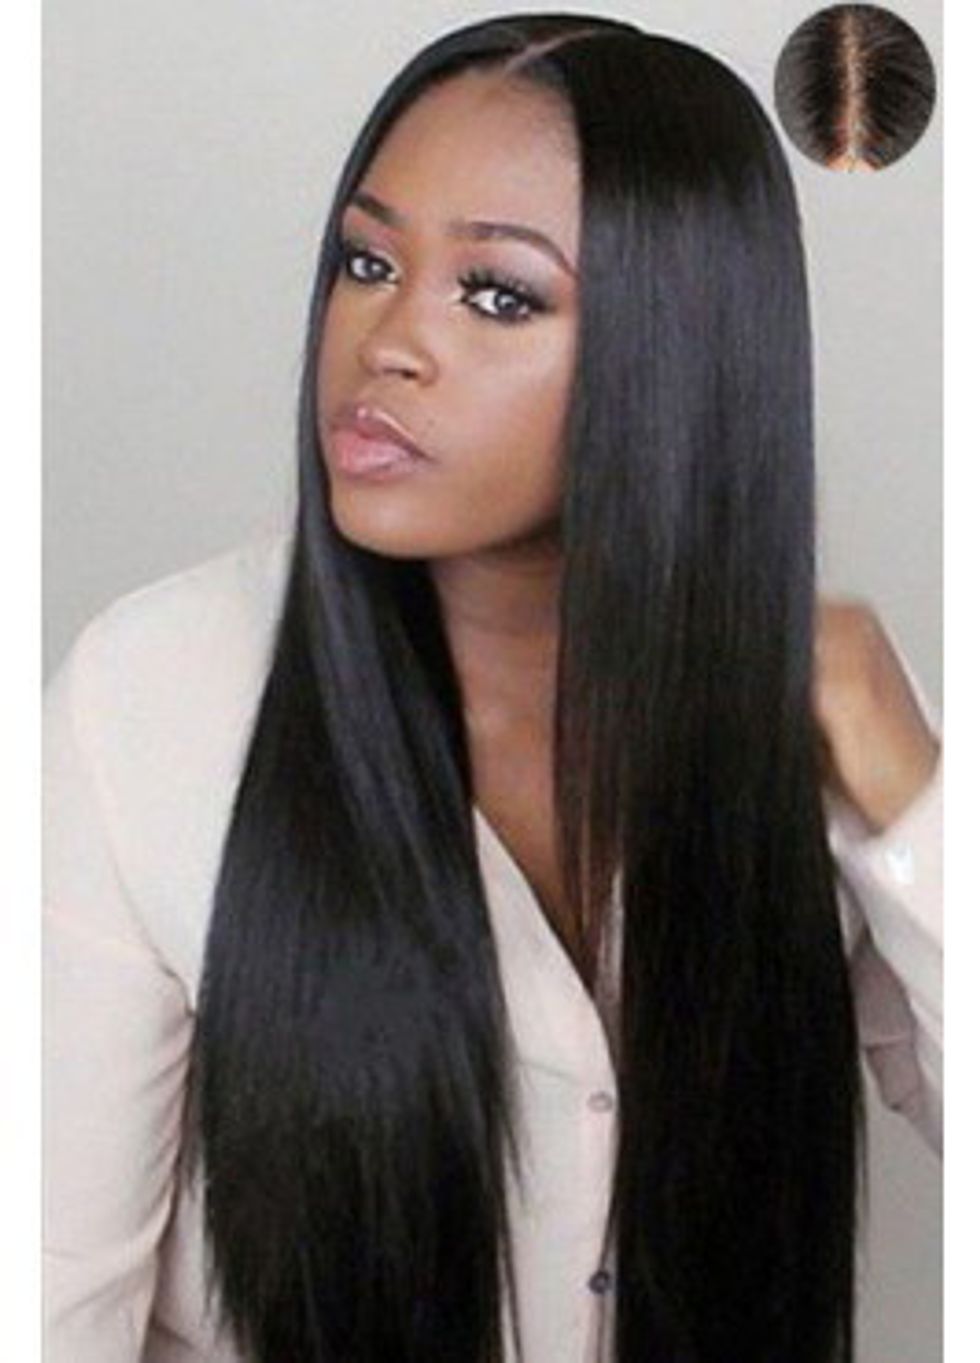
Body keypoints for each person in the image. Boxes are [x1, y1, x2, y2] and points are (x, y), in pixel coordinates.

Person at [42, 13, 942, 1363]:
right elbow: (47, 1294)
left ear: (679, 351)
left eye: (498, 295)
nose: (386, 342)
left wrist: (916, 802)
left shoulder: (826, 713)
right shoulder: (153, 700)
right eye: (366, 262)